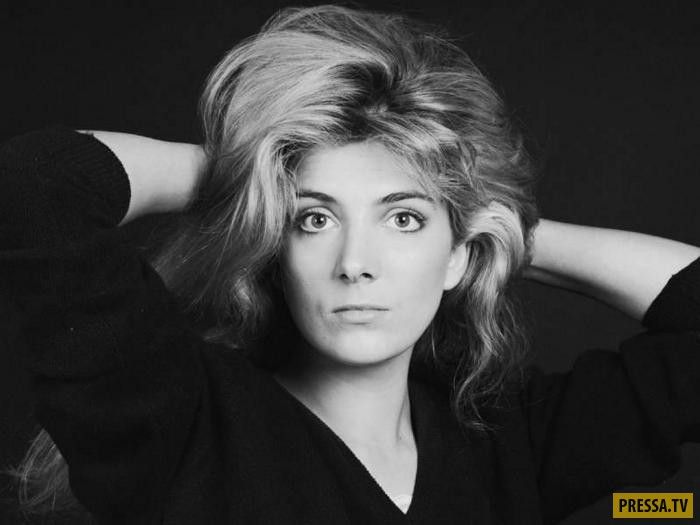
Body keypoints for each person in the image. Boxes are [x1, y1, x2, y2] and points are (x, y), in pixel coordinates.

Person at [1, 5, 699, 524]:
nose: (355, 263)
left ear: (458, 255)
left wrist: (504, 233)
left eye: (403, 218)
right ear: (273, 240)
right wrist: (248, 177)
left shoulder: (504, 443)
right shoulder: (187, 423)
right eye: (314, 218)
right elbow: (37, 185)